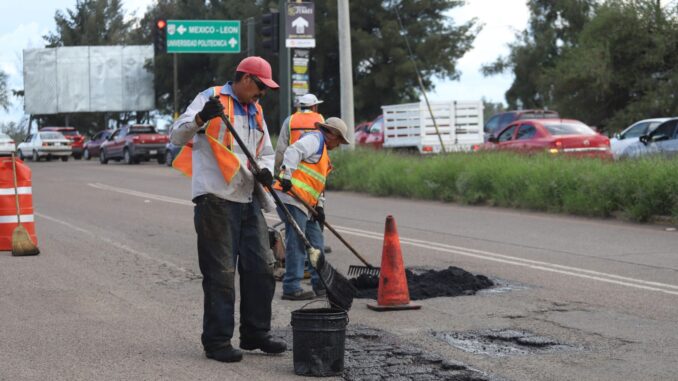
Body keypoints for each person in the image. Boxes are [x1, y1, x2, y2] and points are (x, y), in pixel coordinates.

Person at [170, 56, 286, 363]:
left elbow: (265, 151)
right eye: (261, 88)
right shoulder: (210, 98)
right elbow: (176, 134)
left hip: (247, 198)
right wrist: (200, 119)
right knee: (221, 272)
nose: (263, 95)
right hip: (216, 199)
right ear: (246, 79)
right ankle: (217, 341)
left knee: (262, 267)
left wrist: (265, 171)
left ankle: (255, 334)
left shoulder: (256, 110)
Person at [272, 117, 350, 300]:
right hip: (291, 198)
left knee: (317, 243)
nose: (339, 145)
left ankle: (320, 284)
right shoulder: (315, 140)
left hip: (307, 205)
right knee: (298, 242)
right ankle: (291, 287)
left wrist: (320, 207)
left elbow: (317, 185)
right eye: (339, 140)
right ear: (331, 134)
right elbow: (293, 150)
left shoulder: (323, 154)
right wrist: (287, 175)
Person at [274, 93, 325, 174]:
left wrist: (277, 169)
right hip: (314, 171)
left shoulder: (290, 120)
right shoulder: (321, 120)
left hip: (291, 170)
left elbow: (281, 149)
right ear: (314, 107)